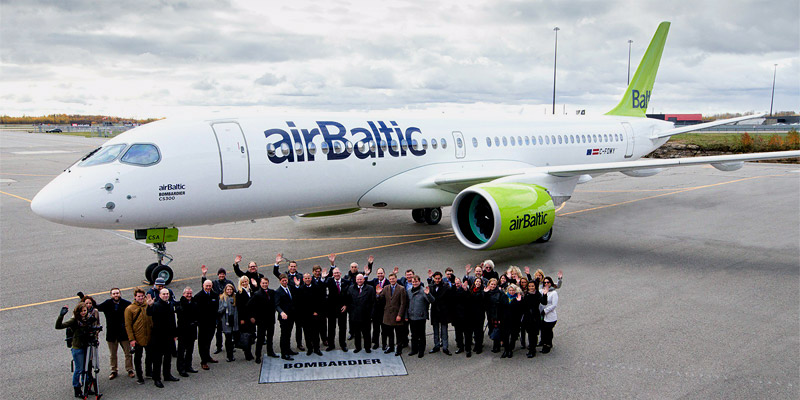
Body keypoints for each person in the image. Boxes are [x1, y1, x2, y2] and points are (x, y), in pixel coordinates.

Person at [55, 302, 93, 398]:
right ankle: (77, 389)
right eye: (81, 311)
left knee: (86, 368)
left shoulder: (88, 319)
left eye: (85, 310)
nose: (83, 313)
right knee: (79, 369)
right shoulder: (74, 321)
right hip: (78, 348)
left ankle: (86, 387)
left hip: (87, 346)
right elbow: (58, 326)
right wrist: (61, 316)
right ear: (78, 312)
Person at [95, 288, 134, 379]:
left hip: (123, 333)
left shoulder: (126, 304)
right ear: (111, 295)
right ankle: (113, 370)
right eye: (114, 293)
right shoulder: (107, 303)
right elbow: (97, 307)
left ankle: (130, 369)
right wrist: (85, 299)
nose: (116, 295)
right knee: (113, 354)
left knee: (128, 353)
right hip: (112, 334)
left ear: (120, 294)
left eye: (117, 293)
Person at [146, 288, 179, 388]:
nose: (165, 295)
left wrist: (175, 334)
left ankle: (167, 375)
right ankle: (157, 379)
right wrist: (150, 305)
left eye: (167, 294)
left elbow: (172, 320)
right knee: (157, 359)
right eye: (163, 294)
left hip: (169, 336)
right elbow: (149, 313)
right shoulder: (156, 305)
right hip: (158, 337)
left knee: (168, 358)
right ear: (159, 295)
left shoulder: (169, 304)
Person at [273, 253, 304, 351]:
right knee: (287, 331)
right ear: (288, 267)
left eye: (294, 266)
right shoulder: (284, 276)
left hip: (297, 307)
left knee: (299, 327)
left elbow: (302, 289)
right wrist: (276, 264)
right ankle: (286, 348)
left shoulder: (300, 276)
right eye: (291, 266)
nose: (293, 268)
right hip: (287, 309)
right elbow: (276, 273)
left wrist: (298, 286)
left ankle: (299, 344)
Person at [200, 264, 233, 354]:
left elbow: (234, 293)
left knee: (229, 331)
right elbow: (205, 286)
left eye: (223, 274)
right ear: (218, 275)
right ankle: (219, 346)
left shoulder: (229, 282)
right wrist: (204, 276)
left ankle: (230, 345)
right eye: (220, 274)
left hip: (227, 310)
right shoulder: (214, 283)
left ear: (225, 275)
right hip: (218, 311)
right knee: (218, 331)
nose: (221, 276)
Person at [124, 288, 153, 384]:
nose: (141, 298)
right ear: (135, 297)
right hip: (137, 338)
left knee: (149, 356)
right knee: (138, 358)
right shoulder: (129, 309)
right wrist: (131, 339)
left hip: (148, 336)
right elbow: (128, 325)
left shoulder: (148, 305)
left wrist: (150, 306)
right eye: (139, 296)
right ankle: (140, 377)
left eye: (142, 296)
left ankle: (149, 372)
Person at [375, 273, 407, 356]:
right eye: (390, 279)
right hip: (388, 315)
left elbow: (403, 303)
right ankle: (391, 347)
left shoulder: (401, 289)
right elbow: (381, 299)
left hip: (397, 315)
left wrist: (400, 315)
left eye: (393, 279)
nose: (392, 280)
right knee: (390, 333)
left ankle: (399, 349)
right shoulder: (386, 288)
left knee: (398, 333)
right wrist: (378, 294)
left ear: (396, 279)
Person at [248, 277, 278, 363]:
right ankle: (258, 355)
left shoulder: (272, 292)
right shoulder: (257, 294)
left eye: (266, 283)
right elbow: (249, 305)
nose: (265, 285)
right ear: (260, 284)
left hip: (271, 319)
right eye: (263, 283)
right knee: (260, 339)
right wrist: (252, 316)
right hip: (261, 321)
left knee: (270, 337)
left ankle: (270, 351)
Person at [295, 273, 324, 356]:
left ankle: (317, 349)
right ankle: (310, 349)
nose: (307, 279)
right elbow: (299, 302)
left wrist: (317, 311)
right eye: (306, 278)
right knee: (307, 334)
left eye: (308, 278)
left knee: (315, 333)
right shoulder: (300, 289)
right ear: (303, 279)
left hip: (315, 315)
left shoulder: (316, 287)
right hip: (305, 316)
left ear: (311, 279)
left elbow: (320, 300)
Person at [193, 279, 219, 370]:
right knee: (202, 342)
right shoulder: (198, 296)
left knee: (208, 340)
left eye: (210, 286)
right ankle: (203, 361)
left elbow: (216, 309)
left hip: (212, 323)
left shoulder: (215, 295)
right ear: (203, 286)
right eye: (206, 286)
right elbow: (196, 311)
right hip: (203, 324)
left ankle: (207, 356)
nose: (208, 287)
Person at [406, 275, 434, 358]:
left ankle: (421, 351)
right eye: (413, 282)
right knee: (413, 334)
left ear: (419, 281)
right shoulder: (409, 291)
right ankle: (414, 349)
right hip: (412, 316)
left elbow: (432, 300)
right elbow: (407, 304)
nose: (414, 283)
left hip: (421, 317)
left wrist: (428, 294)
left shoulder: (423, 291)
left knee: (421, 335)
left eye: (416, 281)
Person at [346, 273, 375, 353]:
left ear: (364, 280)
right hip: (355, 316)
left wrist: (371, 314)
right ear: (356, 280)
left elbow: (373, 302)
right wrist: (351, 312)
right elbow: (348, 301)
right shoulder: (351, 288)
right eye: (358, 279)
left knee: (366, 333)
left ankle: (367, 347)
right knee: (357, 333)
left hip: (366, 316)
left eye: (361, 279)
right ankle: (358, 347)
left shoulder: (370, 288)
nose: (359, 281)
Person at [325, 261, 349, 352]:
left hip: (342, 309)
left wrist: (346, 305)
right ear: (332, 274)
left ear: (341, 274)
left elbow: (349, 295)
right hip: (332, 309)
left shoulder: (346, 282)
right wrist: (323, 277)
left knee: (342, 328)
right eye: (335, 273)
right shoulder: (329, 281)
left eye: (338, 273)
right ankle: (331, 345)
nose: (336, 274)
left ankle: (343, 344)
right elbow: (322, 286)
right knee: (331, 328)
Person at [175, 286, 199, 376]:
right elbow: (181, 317)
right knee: (181, 352)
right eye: (187, 293)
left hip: (192, 331)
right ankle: (181, 369)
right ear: (183, 294)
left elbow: (197, 314)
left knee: (190, 350)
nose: (189, 295)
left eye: (190, 293)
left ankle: (188, 366)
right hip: (183, 332)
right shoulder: (180, 304)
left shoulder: (194, 302)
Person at [274, 273, 298, 360]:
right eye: (283, 281)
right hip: (284, 317)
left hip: (291, 316)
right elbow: (276, 305)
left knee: (288, 334)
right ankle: (284, 353)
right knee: (284, 335)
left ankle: (288, 349)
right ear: (280, 281)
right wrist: (281, 312)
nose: (285, 282)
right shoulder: (278, 292)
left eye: (286, 280)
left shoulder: (290, 288)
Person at [427, 271, 451, 355]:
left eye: (439, 278)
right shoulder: (431, 286)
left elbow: (449, 300)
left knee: (444, 331)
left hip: (443, 311)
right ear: (433, 278)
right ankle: (436, 346)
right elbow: (430, 300)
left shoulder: (446, 286)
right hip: (434, 312)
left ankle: (445, 347)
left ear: (441, 278)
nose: (437, 280)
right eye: (436, 278)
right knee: (435, 330)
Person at [498, 284, 523, 358]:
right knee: (505, 335)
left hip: (514, 320)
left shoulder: (518, 298)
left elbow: (520, 310)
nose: (511, 292)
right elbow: (500, 308)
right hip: (504, 319)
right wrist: (499, 318)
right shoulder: (504, 297)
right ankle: (506, 350)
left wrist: (518, 301)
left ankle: (510, 350)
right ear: (507, 291)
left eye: (513, 290)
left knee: (513, 335)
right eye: (510, 290)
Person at [366, 267, 389, 350]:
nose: (380, 275)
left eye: (381, 273)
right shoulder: (374, 281)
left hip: (385, 310)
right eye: (379, 273)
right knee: (376, 328)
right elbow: (365, 282)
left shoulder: (388, 282)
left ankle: (384, 343)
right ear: (376, 274)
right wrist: (366, 274)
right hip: (375, 310)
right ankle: (376, 343)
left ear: (384, 274)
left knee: (384, 329)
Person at [218, 283, 239, 362]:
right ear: (225, 290)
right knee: (228, 338)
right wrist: (224, 306)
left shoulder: (235, 297)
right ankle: (229, 355)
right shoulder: (222, 298)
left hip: (234, 320)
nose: (229, 291)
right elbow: (219, 311)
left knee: (235, 337)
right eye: (228, 290)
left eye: (231, 289)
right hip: (226, 321)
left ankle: (233, 348)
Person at [450, 279, 471, 357]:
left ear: (461, 283)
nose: (457, 285)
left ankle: (468, 349)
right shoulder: (453, 291)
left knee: (467, 334)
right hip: (456, 317)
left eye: (458, 283)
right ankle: (460, 347)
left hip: (465, 316)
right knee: (458, 334)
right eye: (455, 283)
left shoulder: (465, 291)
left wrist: (466, 290)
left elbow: (469, 299)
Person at [236, 275, 255, 361]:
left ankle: (249, 351)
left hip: (251, 318)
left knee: (251, 335)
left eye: (246, 281)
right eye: (242, 282)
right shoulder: (239, 293)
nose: (244, 283)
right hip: (245, 318)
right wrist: (242, 319)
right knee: (246, 336)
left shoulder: (250, 291)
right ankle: (247, 353)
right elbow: (240, 308)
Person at [522, 281, 543, 358]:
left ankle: (532, 350)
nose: (531, 288)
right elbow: (524, 306)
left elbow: (544, 302)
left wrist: (545, 294)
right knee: (530, 333)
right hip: (527, 317)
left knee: (533, 334)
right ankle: (531, 347)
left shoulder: (537, 294)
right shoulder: (526, 294)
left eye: (532, 286)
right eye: (530, 286)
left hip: (535, 316)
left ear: (535, 287)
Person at [483, 278, 503, 353]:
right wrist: (485, 293)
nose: (493, 286)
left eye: (494, 284)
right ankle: (497, 344)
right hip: (490, 314)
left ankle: (496, 346)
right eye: (492, 284)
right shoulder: (487, 292)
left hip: (497, 314)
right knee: (492, 329)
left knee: (496, 329)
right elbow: (483, 302)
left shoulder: (500, 293)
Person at [467, 276, 486, 354]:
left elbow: (482, 299)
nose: (478, 283)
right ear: (474, 282)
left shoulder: (482, 291)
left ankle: (479, 346)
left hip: (480, 314)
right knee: (473, 330)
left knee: (479, 331)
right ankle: (475, 345)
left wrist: (484, 292)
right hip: (472, 314)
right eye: (476, 281)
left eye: (479, 282)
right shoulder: (471, 290)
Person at [540, 276, 559, 353]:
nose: (546, 284)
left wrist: (545, 310)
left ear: (551, 283)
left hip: (550, 316)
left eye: (548, 282)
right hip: (542, 315)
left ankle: (547, 345)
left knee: (548, 331)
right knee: (543, 331)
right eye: (545, 282)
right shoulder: (541, 291)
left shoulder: (554, 293)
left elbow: (554, 305)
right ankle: (545, 343)